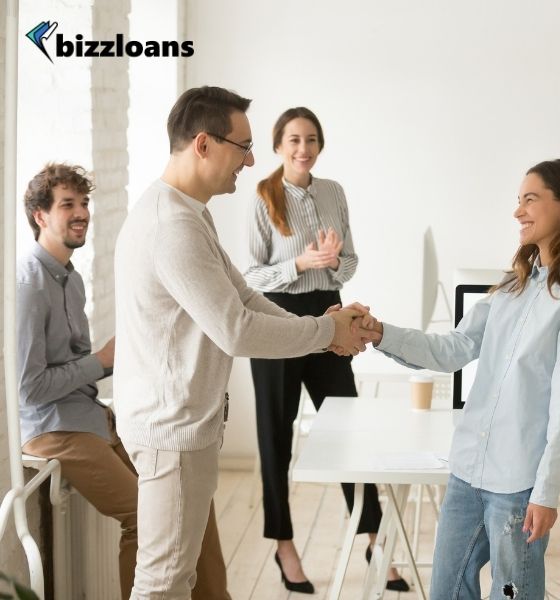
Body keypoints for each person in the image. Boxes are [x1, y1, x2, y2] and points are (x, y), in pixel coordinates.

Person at [114, 86, 367, 599]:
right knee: (163, 581)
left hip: (185, 426)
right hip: (172, 432)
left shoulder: (190, 213)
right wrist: (326, 331)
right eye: (243, 146)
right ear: (204, 144)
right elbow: (236, 329)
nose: (251, 161)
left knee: (183, 577)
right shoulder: (172, 227)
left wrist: (325, 334)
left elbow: (245, 297)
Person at [353, 159, 560, 599]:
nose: (518, 212)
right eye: (518, 201)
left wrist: (547, 493)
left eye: (530, 200)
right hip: (468, 472)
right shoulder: (511, 289)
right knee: (446, 592)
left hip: (519, 487)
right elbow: (450, 349)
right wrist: (380, 331)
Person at [16, 163, 230, 599]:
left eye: (84, 203)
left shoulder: (71, 279)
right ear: (40, 216)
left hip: (91, 416)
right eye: (67, 205)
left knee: (192, 500)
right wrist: (102, 360)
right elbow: (28, 389)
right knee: (145, 517)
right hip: (53, 429)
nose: (81, 213)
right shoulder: (28, 285)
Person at [244, 107, 406, 593]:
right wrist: (299, 263)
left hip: (329, 313)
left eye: (311, 139)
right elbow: (251, 276)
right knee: (276, 435)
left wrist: (333, 264)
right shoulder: (262, 196)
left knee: (347, 427)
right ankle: (283, 544)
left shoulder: (333, 192)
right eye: (293, 140)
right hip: (275, 318)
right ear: (278, 145)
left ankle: (375, 539)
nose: (303, 148)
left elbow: (350, 260)